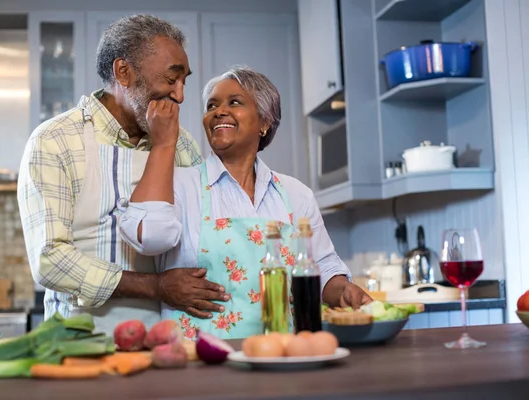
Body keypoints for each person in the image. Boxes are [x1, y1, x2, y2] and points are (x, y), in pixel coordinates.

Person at [120, 65, 372, 339]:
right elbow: (149, 239)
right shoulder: (180, 184)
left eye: (234, 102)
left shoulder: (296, 194)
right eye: (211, 105)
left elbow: (323, 267)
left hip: (280, 353)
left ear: (264, 122)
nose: (218, 111)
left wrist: (343, 289)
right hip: (199, 360)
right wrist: (163, 144)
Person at [17, 15, 228, 334]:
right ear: (123, 72)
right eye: (172, 79)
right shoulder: (56, 139)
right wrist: (157, 286)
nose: (181, 95)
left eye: (184, 81)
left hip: (169, 342)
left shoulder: (182, 144)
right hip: (83, 341)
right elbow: (51, 260)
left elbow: (203, 238)